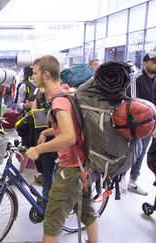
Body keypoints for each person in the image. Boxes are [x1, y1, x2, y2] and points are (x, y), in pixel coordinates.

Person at [25, 55, 98, 243]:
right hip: (83, 165)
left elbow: (69, 137)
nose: (32, 77)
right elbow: (71, 126)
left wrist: (39, 149)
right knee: (87, 211)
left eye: (35, 73)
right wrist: (48, 132)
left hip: (71, 169)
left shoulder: (59, 101)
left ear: (46, 75)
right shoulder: (66, 93)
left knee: (52, 219)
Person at [123, 52, 156, 195]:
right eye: (154, 61)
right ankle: (121, 175)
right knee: (129, 151)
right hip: (134, 122)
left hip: (151, 123)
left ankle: (133, 180)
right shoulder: (135, 78)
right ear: (144, 63)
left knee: (141, 152)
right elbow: (132, 102)